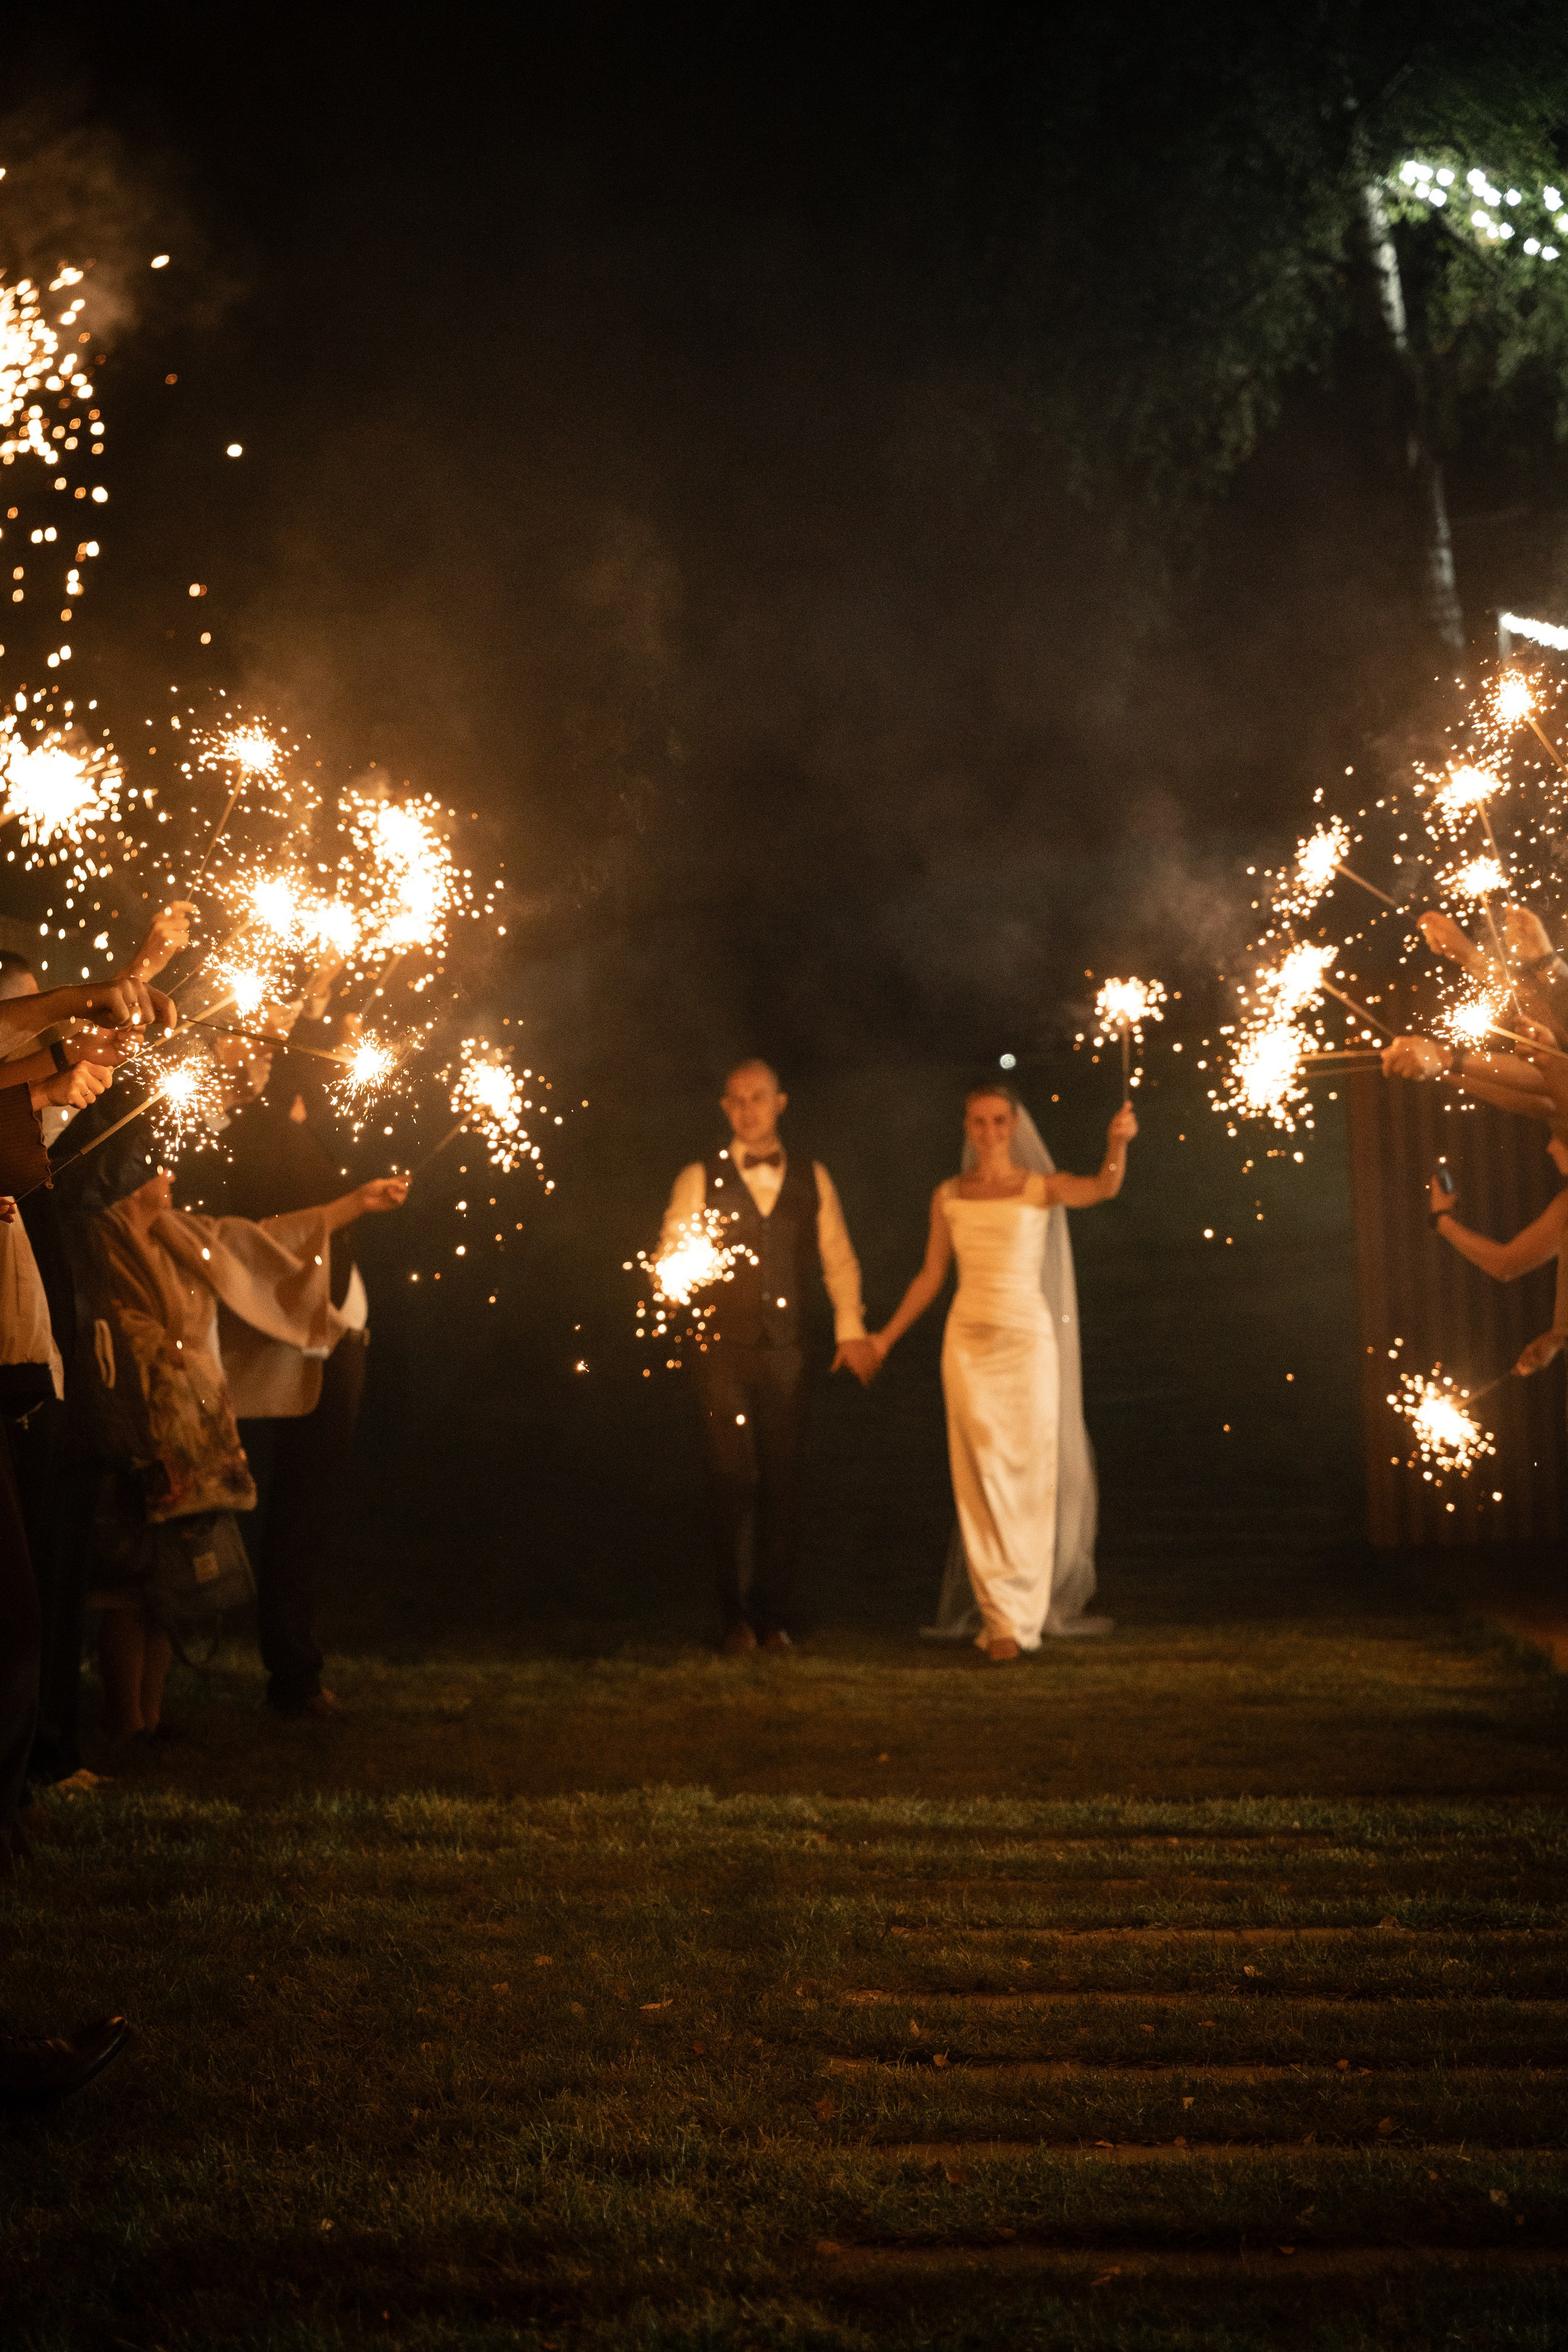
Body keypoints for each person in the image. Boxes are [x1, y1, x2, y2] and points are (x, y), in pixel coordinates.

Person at [64, 1143, 407, 1738]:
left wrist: (355, 1203)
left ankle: (152, 1719)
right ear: (128, 1182)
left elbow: (263, 1241)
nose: (169, 1175)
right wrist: (163, 1350)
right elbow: (109, 1320)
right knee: (132, 1580)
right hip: (139, 1425)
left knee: (171, 1576)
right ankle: (126, 1719)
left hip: (191, 1430)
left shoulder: (179, 1232)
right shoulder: (100, 1240)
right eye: (155, 1170)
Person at [868, 1084, 1136, 1662]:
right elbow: (930, 1276)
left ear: (1014, 1126)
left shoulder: (1039, 1189)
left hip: (1028, 1345)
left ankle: (1023, 1613)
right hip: (967, 1345)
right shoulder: (948, 1195)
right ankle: (1000, 1620)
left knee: (1029, 1479)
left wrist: (1117, 1144)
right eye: (977, 1122)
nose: (988, 1132)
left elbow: (1103, 1187)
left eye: (997, 1121)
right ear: (967, 1127)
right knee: (980, 1479)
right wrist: (883, 1339)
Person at [658, 1057, 878, 1652]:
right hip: (720, 1354)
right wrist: (677, 1278)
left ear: (780, 1103)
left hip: (787, 1355)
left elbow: (839, 1259)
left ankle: (772, 1619)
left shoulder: (814, 1176)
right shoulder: (697, 1177)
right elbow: (668, 1259)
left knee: (783, 1482)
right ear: (725, 1107)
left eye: (757, 1097)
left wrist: (851, 1330)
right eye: (735, 1099)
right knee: (730, 1479)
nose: (746, 1108)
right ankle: (734, 1620)